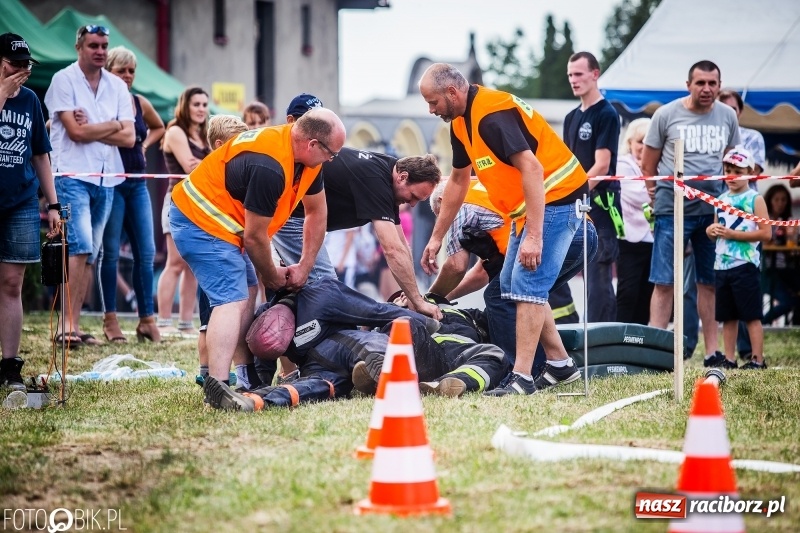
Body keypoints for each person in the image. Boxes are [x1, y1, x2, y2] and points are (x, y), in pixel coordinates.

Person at [418, 63, 588, 396]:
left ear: (452, 92)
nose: (431, 109)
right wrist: (436, 237)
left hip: (559, 198)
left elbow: (533, 169)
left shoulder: (492, 115)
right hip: (525, 208)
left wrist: (534, 236)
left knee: (526, 285)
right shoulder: (460, 124)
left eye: (433, 102)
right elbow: (457, 180)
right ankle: (560, 365)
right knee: (509, 285)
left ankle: (522, 377)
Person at [169, 107, 346, 409]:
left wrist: (305, 265)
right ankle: (218, 386)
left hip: (224, 225)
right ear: (313, 145)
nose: (333, 159)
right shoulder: (270, 165)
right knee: (232, 299)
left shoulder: (306, 160)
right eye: (332, 153)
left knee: (249, 290)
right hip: (199, 220)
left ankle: (247, 376)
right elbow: (254, 237)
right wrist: (275, 275)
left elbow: (317, 213)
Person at [427, 178, 597, 376]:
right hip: (584, 232)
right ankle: (555, 366)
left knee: (501, 296)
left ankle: (520, 372)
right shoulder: (482, 188)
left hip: (560, 234)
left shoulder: (459, 202)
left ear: (443, 200)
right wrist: (444, 298)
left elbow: (456, 266)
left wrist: (430, 299)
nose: (444, 224)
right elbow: (482, 273)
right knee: (529, 297)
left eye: (441, 217)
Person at [642, 60, 740, 366]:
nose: (707, 89)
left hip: (712, 211)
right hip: (672, 209)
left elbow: (733, 162)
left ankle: (712, 353)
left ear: (719, 86)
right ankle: (655, 352)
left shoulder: (727, 116)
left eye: (713, 84)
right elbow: (648, 165)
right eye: (701, 83)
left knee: (709, 282)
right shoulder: (667, 114)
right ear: (689, 85)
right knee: (664, 281)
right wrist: (654, 194)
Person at [45, 24, 135, 347]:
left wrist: (98, 126)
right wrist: (113, 126)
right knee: (81, 245)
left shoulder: (116, 87)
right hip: (71, 174)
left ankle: (74, 325)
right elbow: (74, 133)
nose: (100, 51)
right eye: (94, 45)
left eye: (104, 46)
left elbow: (129, 136)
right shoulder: (63, 80)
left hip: (106, 176)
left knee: (91, 253)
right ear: (79, 47)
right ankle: (66, 326)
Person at [0, 33, 60, 390]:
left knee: (12, 282)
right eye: (13, 64)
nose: (21, 71)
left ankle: (9, 365)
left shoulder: (31, 100)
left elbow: (40, 154)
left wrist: (51, 203)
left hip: (21, 200)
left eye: (26, 65)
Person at [99, 46, 165, 344]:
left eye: (130, 71)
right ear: (108, 71)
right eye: (120, 70)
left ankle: (147, 320)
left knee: (146, 252)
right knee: (110, 253)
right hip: (110, 183)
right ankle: (110, 320)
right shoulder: (100, 103)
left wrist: (145, 145)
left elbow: (159, 127)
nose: (127, 75)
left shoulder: (139, 102)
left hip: (137, 184)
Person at [565, 51, 621, 323]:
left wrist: (574, 191)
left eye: (579, 74)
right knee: (578, 269)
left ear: (595, 74)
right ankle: (579, 332)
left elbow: (602, 164)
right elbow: (567, 163)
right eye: (570, 75)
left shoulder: (607, 113)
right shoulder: (571, 116)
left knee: (599, 273)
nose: (574, 80)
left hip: (599, 203)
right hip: (576, 205)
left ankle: (603, 338)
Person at [704, 148, 771, 369]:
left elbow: (766, 233)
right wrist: (710, 231)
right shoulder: (720, 199)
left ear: (750, 172)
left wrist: (735, 235)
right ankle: (729, 359)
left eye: (737, 171)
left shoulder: (755, 199)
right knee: (728, 316)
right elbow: (717, 232)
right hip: (722, 265)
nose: (731, 175)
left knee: (751, 315)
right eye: (728, 170)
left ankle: (757, 359)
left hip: (745, 265)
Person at [157, 86, 210, 337]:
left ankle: (186, 323)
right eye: (196, 104)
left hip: (199, 204)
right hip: (176, 201)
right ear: (185, 106)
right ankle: (164, 321)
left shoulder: (205, 135)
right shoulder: (175, 130)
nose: (201, 109)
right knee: (175, 263)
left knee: (193, 266)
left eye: (204, 104)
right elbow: (190, 166)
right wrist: (213, 164)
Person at [615, 118, 654, 324]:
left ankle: (641, 341)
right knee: (628, 292)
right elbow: (641, 196)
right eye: (640, 141)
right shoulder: (623, 163)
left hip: (653, 238)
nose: (643, 147)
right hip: (629, 238)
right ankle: (621, 340)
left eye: (649, 142)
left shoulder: (655, 164)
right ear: (629, 142)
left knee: (647, 295)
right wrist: (656, 189)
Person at [759, 184, 798, 326]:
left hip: (787, 268)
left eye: (783, 200)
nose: (780, 204)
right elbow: (763, 242)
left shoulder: (789, 220)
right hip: (769, 269)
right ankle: (761, 324)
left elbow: (793, 245)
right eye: (776, 200)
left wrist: (793, 235)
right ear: (770, 200)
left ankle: (793, 325)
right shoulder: (764, 220)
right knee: (787, 301)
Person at [717, 89, 766, 177]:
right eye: (723, 109)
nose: (728, 114)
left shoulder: (753, 137)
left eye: (733, 109)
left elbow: (754, 172)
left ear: (740, 111)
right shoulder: (704, 137)